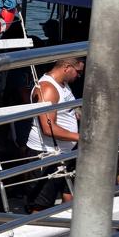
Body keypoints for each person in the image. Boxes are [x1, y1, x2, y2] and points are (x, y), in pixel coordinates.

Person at [22, 56, 84, 210]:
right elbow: (48, 128)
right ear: (67, 67)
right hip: (46, 154)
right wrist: (83, 138)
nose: (79, 76)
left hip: (67, 151)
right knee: (40, 208)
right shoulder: (48, 89)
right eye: (78, 72)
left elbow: (65, 110)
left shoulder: (63, 84)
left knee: (70, 196)